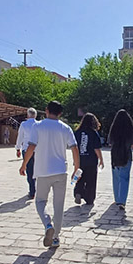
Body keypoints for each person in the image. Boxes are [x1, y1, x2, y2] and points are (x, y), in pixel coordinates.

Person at [20, 101, 79, 248]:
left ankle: (47, 225)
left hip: (43, 171)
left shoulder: (37, 126)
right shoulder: (65, 128)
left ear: (46, 111)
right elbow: (74, 148)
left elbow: (31, 146)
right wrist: (76, 168)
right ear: (60, 113)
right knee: (59, 206)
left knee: (40, 201)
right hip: (61, 171)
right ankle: (56, 237)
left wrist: (24, 164)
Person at [74, 113, 104, 205]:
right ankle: (89, 198)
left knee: (79, 177)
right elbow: (96, 148)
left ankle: (78, 192)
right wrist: (101, 159)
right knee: (91, 180)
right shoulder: (93, 133)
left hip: (79, 160)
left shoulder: (77, 132)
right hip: (91, 160)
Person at [109, 109, 133, 210]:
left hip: (115, 154)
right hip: (126, 155)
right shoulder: (130, 129)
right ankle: (122, 201)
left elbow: (110, 143)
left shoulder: (113, 129)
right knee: (124, 178)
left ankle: (117, 198)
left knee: (116, 177)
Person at [15, 108, 40, 199]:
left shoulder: (24, 124)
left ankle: (32, 191)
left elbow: (20, 137)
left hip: (26, 149)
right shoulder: (39, 124)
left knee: (29, 171)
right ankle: (37, 188)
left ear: (28, 115)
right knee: (37, 169)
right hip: (37, 150)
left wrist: (18, 148)